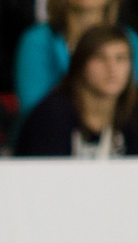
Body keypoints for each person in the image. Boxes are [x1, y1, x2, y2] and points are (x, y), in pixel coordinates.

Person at [14, 0, 138, 118]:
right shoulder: (36, 41)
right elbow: (33, 108)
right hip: (51, 132)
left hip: (117, 133)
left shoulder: (129, 39)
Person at [16, 23, 138, 154]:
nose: (112, 68)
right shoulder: (51, 115)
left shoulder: (133, 115)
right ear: (80, 64)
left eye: (120, 58)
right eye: (100, 58)